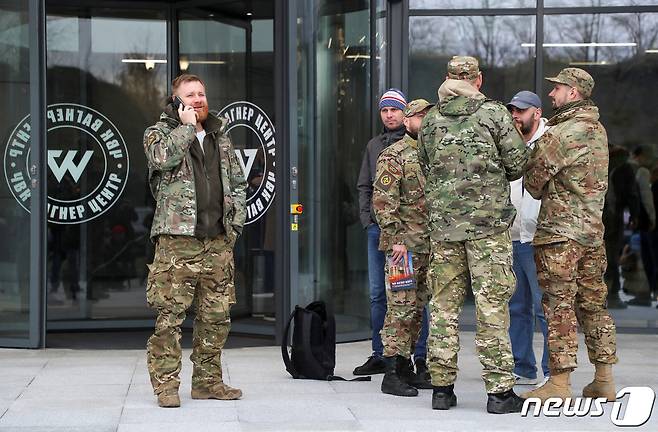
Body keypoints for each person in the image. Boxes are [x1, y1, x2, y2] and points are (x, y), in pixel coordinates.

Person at [418, 56, 529, 413]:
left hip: (444, 230)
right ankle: (499, 393)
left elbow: (424, 165)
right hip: (488, 230)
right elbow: (516, 166)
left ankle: (441, 389)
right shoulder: (494, 114)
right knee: (491, 307)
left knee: (443, 309)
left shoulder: (431, 119)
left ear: (447, 79)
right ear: (477, 80)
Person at [143, 74, 247, 408]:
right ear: (176, 100)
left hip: (217, 243)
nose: (199, 99)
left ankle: (207, 382)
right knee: (170, 319)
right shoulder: (158, 133)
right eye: (190, 94)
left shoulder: (221, 136)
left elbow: (237, 182)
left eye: (202, 93)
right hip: (177, 244)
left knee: (216, 318)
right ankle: (165, 387)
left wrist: (235, 226)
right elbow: (161, 158)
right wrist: (186, 127)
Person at [522, 68, 618, 402]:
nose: (552, 94)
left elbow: (532, 183)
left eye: (558, 89)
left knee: (558, 306)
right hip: (593, 233)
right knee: (594, 305)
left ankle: (559, 384)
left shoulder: (561, 133)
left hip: (560, 236)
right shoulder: (598, 129)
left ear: (573, 93)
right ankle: (604, 379)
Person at [356, 89, 430, 376]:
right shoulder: (380, 149)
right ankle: (386, 357)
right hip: (389, 237)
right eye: (384, 110)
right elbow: (369, 188)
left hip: (419, 241)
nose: (389, 115)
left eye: (394, 110)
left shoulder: (426, 147)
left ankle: (417, 358)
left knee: (417, 299)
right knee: (386, 296)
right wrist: (369, 222)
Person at [373, 99, 433, 396]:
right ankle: (392, 372)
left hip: (426, 247)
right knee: (400, 307)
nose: (424, 120)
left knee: (418, 308)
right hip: (403, 249)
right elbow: (384, 202)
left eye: (427, 115)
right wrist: (395, 238)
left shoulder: (431, 153)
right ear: (407, 121)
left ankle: (407, 366)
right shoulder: (394, 155)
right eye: (419, 116)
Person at [505, 91, 550, 386]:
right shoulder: (509, 144)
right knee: (516, 308)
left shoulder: (550, 142)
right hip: (512, 238)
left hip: (539, 239)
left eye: (521, 111)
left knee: (544, 308)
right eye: (513, 111)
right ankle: (523, 366)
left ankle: (551, 371)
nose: (516, 116)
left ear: (537, 112)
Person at [604, 145, 640, 309]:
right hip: (614, 215)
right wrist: (634, 215)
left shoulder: (596, 160)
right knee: (612, 253)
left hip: (593, 215)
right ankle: (612, 293)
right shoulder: (625, 167)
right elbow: (631, 194)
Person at [626, 146, 656, 306]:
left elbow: (644, 197)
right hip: (644, 222)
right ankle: (647, 292)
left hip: (642, 221)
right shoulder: (641, 171)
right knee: (646, 257)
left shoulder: (638, 171)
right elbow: (645, 197)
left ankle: (647, 292)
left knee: (646, 257)